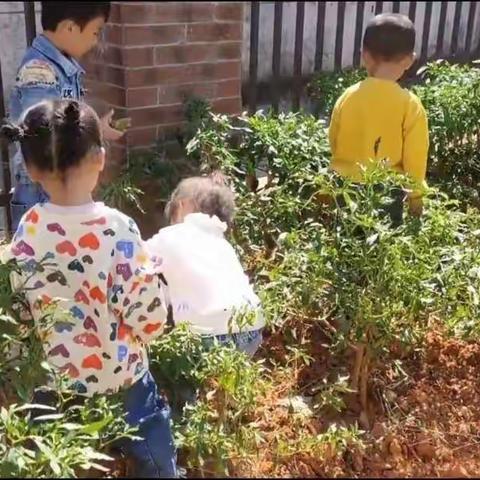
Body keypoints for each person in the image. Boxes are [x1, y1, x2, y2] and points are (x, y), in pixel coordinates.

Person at [0, 100, 177, 478]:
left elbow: (18, 305)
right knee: (153, 445)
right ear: (100, 158)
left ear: (31, 169)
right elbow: (148, 315)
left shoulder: (27, 228)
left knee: (57, 459)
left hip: (52, 382)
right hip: (120, 379)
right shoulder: (119, 229)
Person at [8, 1, 124, 232]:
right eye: (94, 32)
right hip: (44, 191)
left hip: (57, 187)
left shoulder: (60, 66)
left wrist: (96, 128)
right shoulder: (39, 70)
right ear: (70, 27)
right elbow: (43, 133)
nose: (95, 41)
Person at [146, 174, 265, 357]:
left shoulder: (170, 237)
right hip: (252, 329)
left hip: (209, 334)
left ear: (183, 204)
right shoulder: (220, 241)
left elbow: (138, 263)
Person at [328, 13, 429, 225]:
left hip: (346, 188)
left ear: (364, 55)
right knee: (382, 248)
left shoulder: (347, 96)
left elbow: (334, 140)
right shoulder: (409, 105)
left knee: (346, 244)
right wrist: (415, 197)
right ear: (409, 60)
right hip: (387, 191)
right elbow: (415, 157)